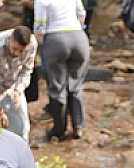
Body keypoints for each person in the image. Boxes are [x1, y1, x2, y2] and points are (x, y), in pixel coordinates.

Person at [34, 0, 90, 140]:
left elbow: (39, 28)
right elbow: (82, 14)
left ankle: (59, 129)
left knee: (57, 86)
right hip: (79, 38)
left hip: (55, 40)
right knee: (75, 85)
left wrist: (34, 53)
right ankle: (78, 127)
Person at [0, 27, 37, 142]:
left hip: (13, 87)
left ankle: (21, 156)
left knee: (22, 127)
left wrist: (18, 90)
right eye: (15, 49)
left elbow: (26, 70)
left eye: (21, 51)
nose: (17, 53)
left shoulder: (32, 43)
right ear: (9, 39)